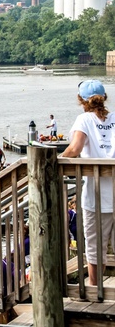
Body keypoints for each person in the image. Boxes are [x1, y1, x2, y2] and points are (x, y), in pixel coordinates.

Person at [62, 79, 115, 285]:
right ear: (104, 98)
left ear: (81, 100)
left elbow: (75, 149)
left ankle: (96, 292)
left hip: (96, 196)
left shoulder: (84, 119)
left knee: (95, 249)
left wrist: (56, 162)